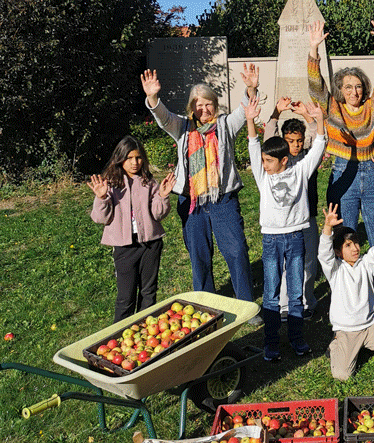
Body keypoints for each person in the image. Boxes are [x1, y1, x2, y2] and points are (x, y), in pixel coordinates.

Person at [141, 65, 259, 313]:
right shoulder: (182, 127)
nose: (203, 109)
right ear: (191, 108)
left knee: (237, 251)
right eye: (198, 105)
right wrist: (152, 97)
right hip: (191, 202)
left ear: (215, 105)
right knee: (199, 256)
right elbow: (163, 117)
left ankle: (246, 305)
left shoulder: (226, 125)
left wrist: (250, 88)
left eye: (208, 104)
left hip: (223, 200)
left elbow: (243, 110)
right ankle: (206, 305)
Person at [307, 18, 374, 317]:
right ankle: (346, 297)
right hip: (343, 174)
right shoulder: (332, 109)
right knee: (343, 237)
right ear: (341, 89)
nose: (354, 91)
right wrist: (314, 51)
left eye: (358, 86)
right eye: (348, 87)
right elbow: (317, 87)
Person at [246, 96, 327, 361]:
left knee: (295, 294)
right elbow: (253, 144)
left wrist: (318, 119)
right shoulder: (262, 176)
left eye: (269, 161)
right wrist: (250, 120)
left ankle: (297, 338)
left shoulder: (301, 170)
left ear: (283, 160)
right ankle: (271, 343)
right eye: (263, 161)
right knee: (270, 295)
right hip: (271, 240)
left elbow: (320, 144)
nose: (263, 165)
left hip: (295, 238)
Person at [88, 136, 176, 323]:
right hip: (125, 247)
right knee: (126, 297)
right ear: (120, 159)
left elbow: (158, 214)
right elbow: (100, 218)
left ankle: (145, 329)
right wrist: (102, 198)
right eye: (129, 158)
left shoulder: (148, 182)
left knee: (148, 292)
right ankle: (120, 333)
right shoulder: (110, 184)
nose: (135, 162)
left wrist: (162, 196)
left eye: (138, 157)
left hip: (150, 244)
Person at [319, 203, 374, 381]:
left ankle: (361, 346)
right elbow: (324, 255)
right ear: (338, 252)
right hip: (347, 331)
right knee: (342, 375)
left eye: (356, 243)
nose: (355, 248)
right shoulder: (335, 270)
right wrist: (327, 228)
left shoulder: (366, 264)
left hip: (370, 326)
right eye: (348, 245)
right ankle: (336, 345)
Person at [264, 97, 320, 320]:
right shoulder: (277, 162)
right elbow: (268, 138)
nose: (295, 145)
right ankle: (285, 304)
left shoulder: (308, 159)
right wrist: (276, 113)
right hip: (283, 223)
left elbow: (319, 137)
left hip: (307, 217)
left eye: (299, 141)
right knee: (287, 264)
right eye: (290, 141)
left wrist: (307, 114)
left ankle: (306, 301)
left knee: (309, 261)